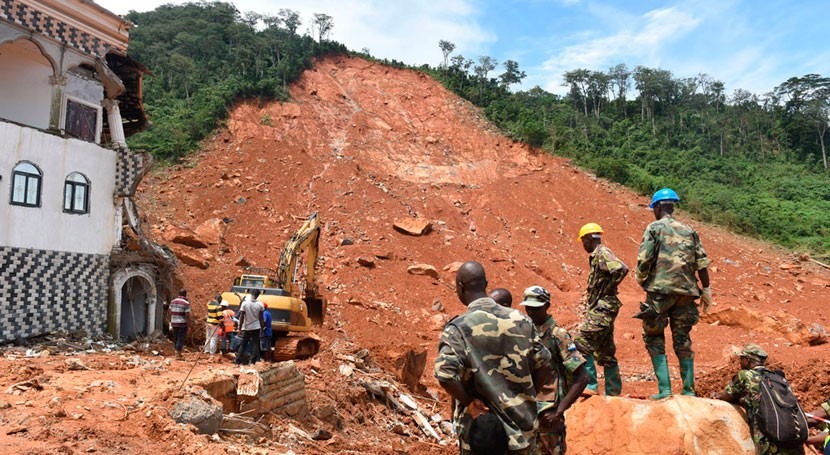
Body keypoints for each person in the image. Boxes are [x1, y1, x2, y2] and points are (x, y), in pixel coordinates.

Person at [435, 261, 551, 455]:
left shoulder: (458, 328)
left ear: (460, 287)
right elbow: (545, 363)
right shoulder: (522, 320)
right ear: (486, 283)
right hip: (523, 432)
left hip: (480, 436)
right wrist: (525, 394)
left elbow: (445, 375)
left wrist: (469, 401)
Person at [635, 188, 711, 399]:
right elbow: (702, 263)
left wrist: (641, 279)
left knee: (653, 336)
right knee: (682, 339)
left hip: (660, 292)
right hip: (686, 293)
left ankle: (665, 390)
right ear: (672, 206)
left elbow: (644, 259)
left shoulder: (654, 228)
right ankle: (688, 391)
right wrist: (706, 290)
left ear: (658, 207)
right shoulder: (689, 230)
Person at [521, 285, 590, 454]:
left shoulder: (558, 335)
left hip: (548, 414)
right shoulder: (524, 333)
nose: (530, 312)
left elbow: (582, 377)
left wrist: (559, 411)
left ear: (546, 306)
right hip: (527, 411)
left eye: (535, 308)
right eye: (528, 308)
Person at [712, 344, 804, 455]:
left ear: (747, 360)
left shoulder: (746, 376)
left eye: (741, 358)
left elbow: (726, 396)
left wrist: (715, 395)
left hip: (769, 440)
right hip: (793, 438)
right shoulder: (778, 377)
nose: (740, 362)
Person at [573, 223, 628, 396]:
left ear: (589, 239)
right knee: (605, 351)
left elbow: (621, 269)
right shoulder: (598, 255)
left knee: (581, 343)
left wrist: (609, 287)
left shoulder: (602, 253)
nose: (583, 246)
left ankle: (590, 385)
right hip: (603, 307)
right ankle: (613, 392)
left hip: (603, 307)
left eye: (583, 242)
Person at [235, 289, 265, 365]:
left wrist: (239, 328)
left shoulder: (244, 303)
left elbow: (241, 317)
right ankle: (252, 361)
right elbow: (261, 318)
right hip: (256, 327)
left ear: (251, 294)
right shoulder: (260, 304)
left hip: (246, 327)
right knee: (255, 344)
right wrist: (262, 329)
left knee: (244, 343)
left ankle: (238, 360)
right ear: (258, 295)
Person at [169, 289, 191, 360]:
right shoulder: (186, 303)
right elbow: (187, 315)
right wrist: (189, 325)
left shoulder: (172, 301)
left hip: (174, 322)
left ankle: (177, 352)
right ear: (185, 294)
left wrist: (170, 321)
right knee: (180, 338)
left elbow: (169, 312)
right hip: (182, 323)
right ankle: (178, 354)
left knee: (176, 337)